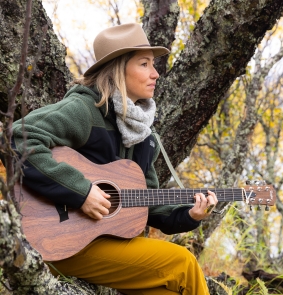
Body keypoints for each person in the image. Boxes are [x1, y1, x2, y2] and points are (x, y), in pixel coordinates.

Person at [11, 23, 217, 295]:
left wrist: (189, 215)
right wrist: (82, 192)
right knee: (183, 263)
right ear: (119, 68)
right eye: (144, 64)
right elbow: (20, 137)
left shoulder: (144, 135)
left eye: (153, 65)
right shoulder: (85, 110)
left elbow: (147, 201)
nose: (155, 74)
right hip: (60, 240)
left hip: (106, 246)